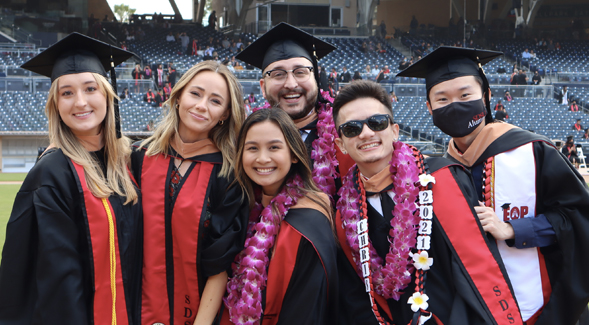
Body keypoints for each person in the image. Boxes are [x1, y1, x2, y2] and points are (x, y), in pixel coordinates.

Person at [398, 46, 589, 324]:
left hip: (536, 307)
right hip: (468, 311)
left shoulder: (533, 151)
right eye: (442, 99)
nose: (454, 105)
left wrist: (513, 229)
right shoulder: (435, 173)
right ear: (428, 108)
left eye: (465, 95)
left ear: (486, 96)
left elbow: (578, 219)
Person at [333, 80, 520, 324]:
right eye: (351, 129)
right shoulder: (346, 214)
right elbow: (354, 293)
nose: (366, 133)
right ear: (341, 145)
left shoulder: (442, 180)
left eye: (377, 122)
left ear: (395, 130)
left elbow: (473, 272)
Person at [0, 32, 142, 323]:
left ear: (107, 94)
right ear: (56, 104)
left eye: (90, 88)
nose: (80, 102)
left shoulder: (131, 163)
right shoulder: (51, 174)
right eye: (67, 92)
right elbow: (57, 283)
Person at [132, 61, 249, 325]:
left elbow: (220, 264)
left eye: (215, 101)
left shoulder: (228, 177)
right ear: (178, 97)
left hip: (197, 313)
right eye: (195, 94)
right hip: (134, 309)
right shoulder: (138, 158)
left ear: (225, 114)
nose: (201, 106)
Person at [223, 108, 338, 324]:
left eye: (274, 147)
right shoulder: (243, 210)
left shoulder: (309, 222)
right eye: (252, 148)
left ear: (294, 154)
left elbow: (306, 312)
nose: (263, 158)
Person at [235, 22, 354, 198]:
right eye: (278, 74)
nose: (291, 84)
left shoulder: (348, 135)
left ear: (315, 79)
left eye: (300, 72)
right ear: (262, 86)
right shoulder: (247, 139)